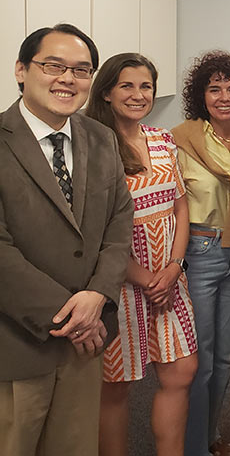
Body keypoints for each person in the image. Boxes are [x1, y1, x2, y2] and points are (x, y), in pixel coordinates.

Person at [0, 24, 133, 454]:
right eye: (53, 65)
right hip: (18, 342)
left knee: (75, 447)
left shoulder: (101, 138)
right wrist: (70, 316)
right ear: (21, 70)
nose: (67, 79)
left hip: (86, 341)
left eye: (81, 69)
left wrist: (97, 295)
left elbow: (118, 222)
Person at [85, 53, 199, 456]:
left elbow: (180, 207)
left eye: (145, 86)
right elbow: (94, 231)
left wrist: (173, 267)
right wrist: (147, 279)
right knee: (117, 386)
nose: (138, 94)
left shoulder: (163, 139)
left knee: (181, 371)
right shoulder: (93, 146)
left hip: (169, 278)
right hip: (119, 283)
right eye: (127, 86)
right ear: (107, 91)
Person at [173, 51, 230, 456]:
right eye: (214, 89)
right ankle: (191, 447)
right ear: (200, 95)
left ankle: (209, 438)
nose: (224, 96)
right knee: (200, 361)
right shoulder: (182, 139)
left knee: (226, 359)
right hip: (200, 250)